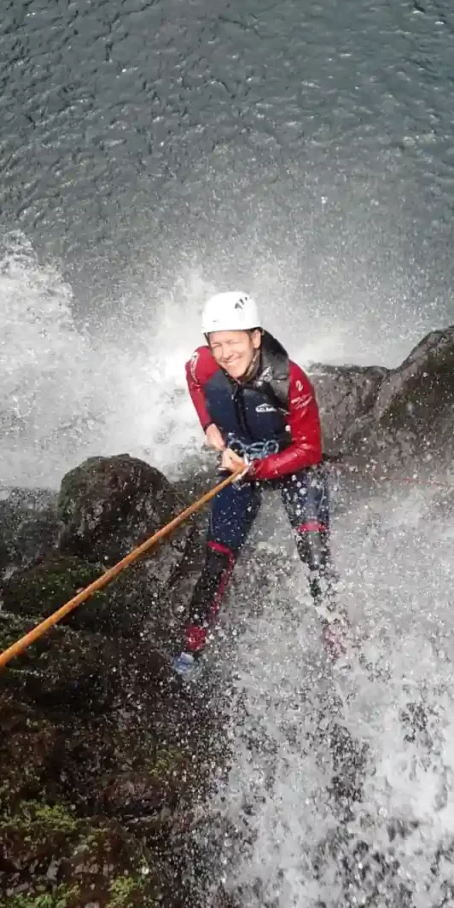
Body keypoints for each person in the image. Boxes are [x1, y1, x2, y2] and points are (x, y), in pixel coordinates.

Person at [172, 291, 347, 680]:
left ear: (255, 337)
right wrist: (209, 426)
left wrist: (256, 469)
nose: (224, 353)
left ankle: (338, 644)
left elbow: (309, 449)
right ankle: (191, 650)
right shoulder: (203, 364)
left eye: (233, 342)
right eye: (216, 344)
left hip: (290, 463)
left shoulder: (290, 380)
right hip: (241, 459)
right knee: (217, 557)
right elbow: (193, 379)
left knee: (315, 554)